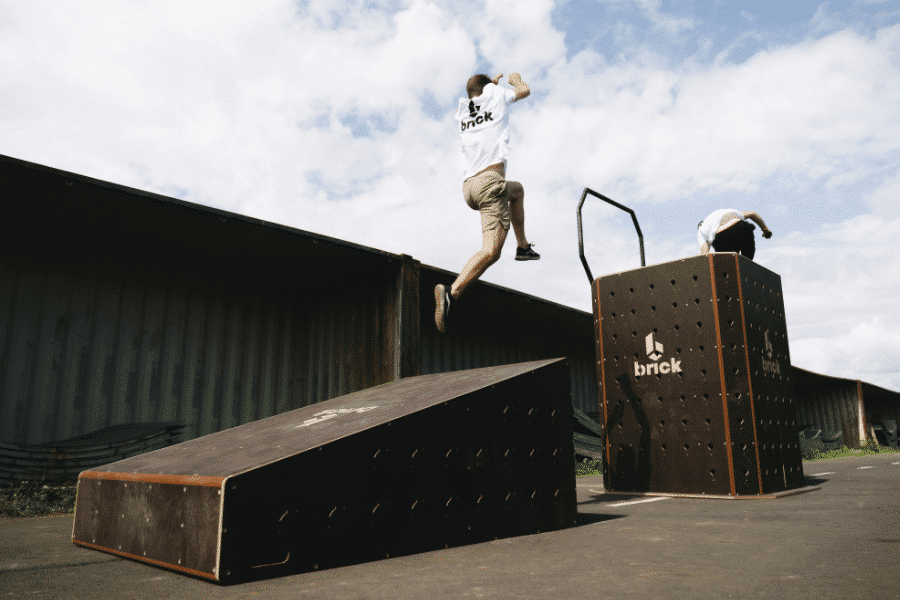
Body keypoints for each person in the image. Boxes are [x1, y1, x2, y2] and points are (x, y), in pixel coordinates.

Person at [434, 72, 538, 333]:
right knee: (491, 251)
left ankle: (523, 246)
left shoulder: (462, 111)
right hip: (490, 184)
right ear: (489, 89)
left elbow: (478, 98)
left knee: (517, 190)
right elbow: (524, 91)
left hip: (470, 187)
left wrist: (490, 86)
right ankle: (452, 292)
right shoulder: (497, 96)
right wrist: (514, 80)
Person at [697, 208, 772, 259]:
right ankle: (746, 267)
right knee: (746, 260)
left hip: (723, 238)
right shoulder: (723, 212)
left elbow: (704, 252)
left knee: (729, 266)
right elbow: (753, 213)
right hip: (742, 228)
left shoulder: (701, 230)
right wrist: (765, 230)